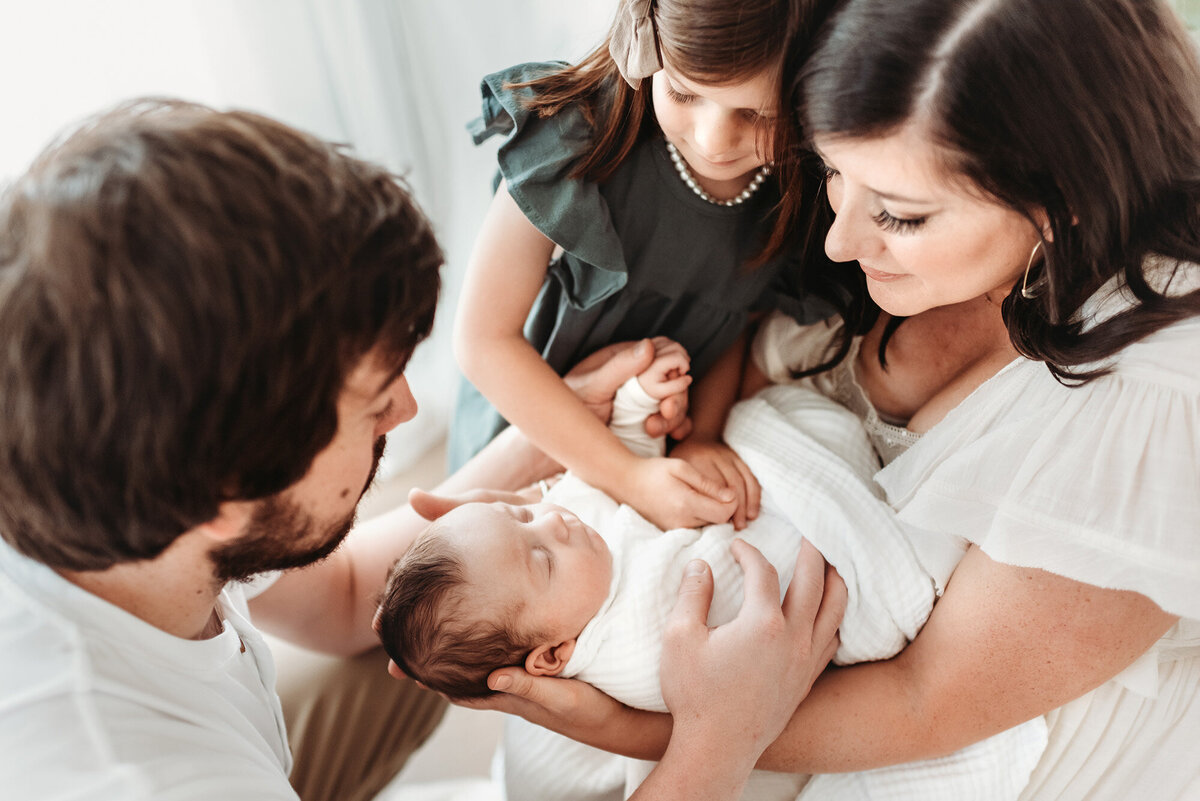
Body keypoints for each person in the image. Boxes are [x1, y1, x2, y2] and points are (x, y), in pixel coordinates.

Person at [445, 0, 1200, 798]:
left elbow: (924, 699)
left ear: (1063, 198)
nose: (838, 239)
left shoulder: (1157, 406)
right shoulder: (861, 184)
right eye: (833, 171)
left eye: (899, 216)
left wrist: (638, 726)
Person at [0, 99, 843, 801]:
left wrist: (554, 433)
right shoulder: (133, 775)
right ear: (225, 490)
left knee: (432, 635)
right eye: (374, 402)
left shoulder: (132, 473)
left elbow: (342, 598)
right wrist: (721, 736)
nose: (407, 409)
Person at [379, 343, 1045, 800]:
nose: (550, 521)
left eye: (521, 519)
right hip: (766, 619)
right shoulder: (630, 650)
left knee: (775, 439)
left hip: (728, 513)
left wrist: (643, 404)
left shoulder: (567, 533)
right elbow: (733, 653)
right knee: (858, 569)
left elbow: (619, 473)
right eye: (539, 555)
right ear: (554, 654)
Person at [450, 0, 840, 531]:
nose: (713, 140)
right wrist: (628, 477)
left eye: (759, 114)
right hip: (528, 429)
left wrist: (702, 435)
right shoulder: (572, 135)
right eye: (683, 92)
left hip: (651, 444)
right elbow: (482, 341)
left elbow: (735, 324)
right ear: (649, 49)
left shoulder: (795, 197)